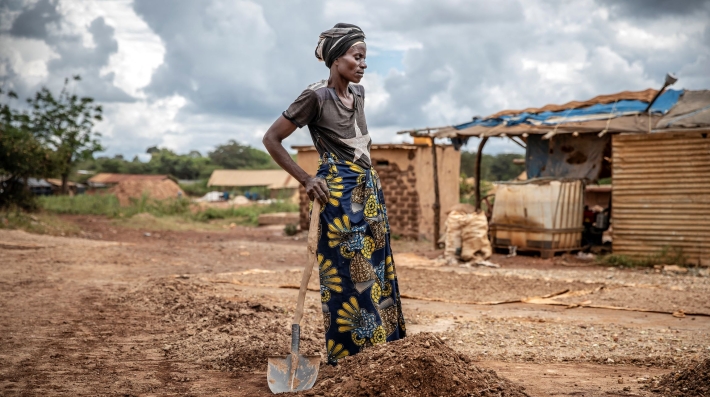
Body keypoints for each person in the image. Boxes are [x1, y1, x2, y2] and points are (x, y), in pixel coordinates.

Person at [263, 23, 406, 364]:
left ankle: (385, 353)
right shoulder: (315, 97)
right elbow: (271, 139)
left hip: (367, 189)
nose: (363, 64)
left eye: (364, 58)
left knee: (379, 270)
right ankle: (353, 359)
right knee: (348, 274)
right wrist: (305, 179)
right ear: (335, 58)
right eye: (357, 57)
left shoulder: (359, 94)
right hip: (337, 195)